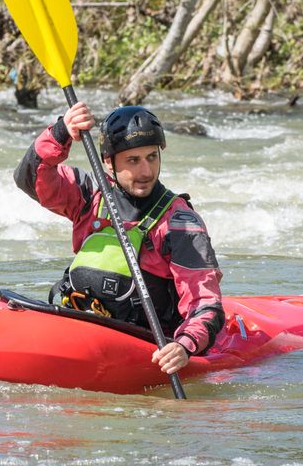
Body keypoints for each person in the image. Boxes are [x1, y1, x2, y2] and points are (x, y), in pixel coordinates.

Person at [14, 102, 224, 375]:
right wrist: (61, 132)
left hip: (141, 345)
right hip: (79, 325)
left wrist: (184, 346)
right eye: (133, 161)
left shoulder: (180, 223)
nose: (146, 172)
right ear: (108, 162)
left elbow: (205, 302)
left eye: (151, 157)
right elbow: (30, 178)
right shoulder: (89, 195)